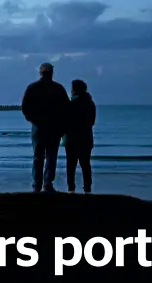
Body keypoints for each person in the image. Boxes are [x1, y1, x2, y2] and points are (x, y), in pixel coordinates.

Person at [21, 63, 71, 193]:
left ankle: (37, 184)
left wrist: (31, 119)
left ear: (40, 73)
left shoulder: (33, 87)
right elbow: (67, 109)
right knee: (51, 156)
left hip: (38, 127)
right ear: (51, 73)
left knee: (38, 156)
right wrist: (62, 126)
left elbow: (25, 106)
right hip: (54, 128)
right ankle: (47, 183)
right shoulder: (58, 88)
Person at [64, 79, 96, 193]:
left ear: (75, 89)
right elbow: (92, 122)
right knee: (85, 164)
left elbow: (65, 121)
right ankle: (87, 188)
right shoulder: (90, 103)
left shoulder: (71, 104)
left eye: (72, 88)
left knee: (71, 165)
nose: (71, 90)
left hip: (72, 138)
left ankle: (71, 188)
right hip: (86, 138)